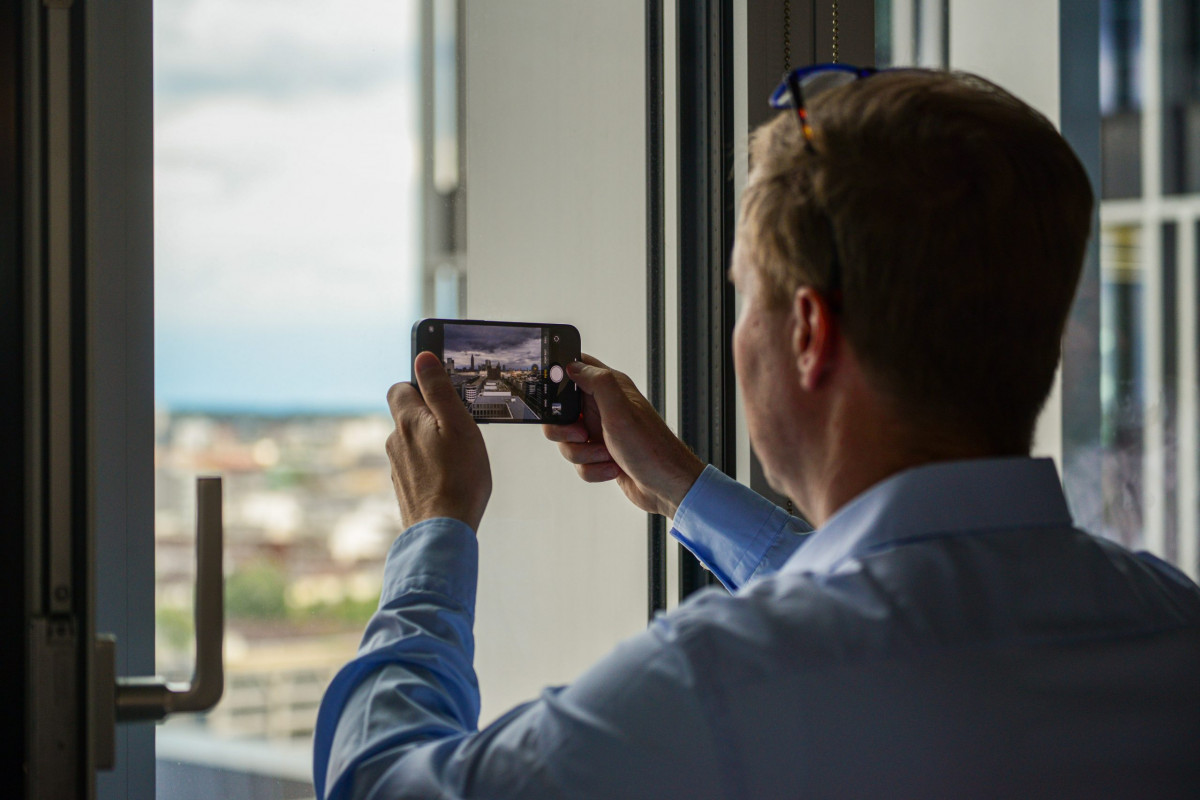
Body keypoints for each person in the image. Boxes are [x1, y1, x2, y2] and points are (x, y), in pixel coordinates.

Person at [313, 69, 1200, 799]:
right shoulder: (1169, 622)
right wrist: (685, 490)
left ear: (808, 333)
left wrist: (436, 532)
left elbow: (377, 788)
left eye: (744, 295)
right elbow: (908, 615)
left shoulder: (717, 690)